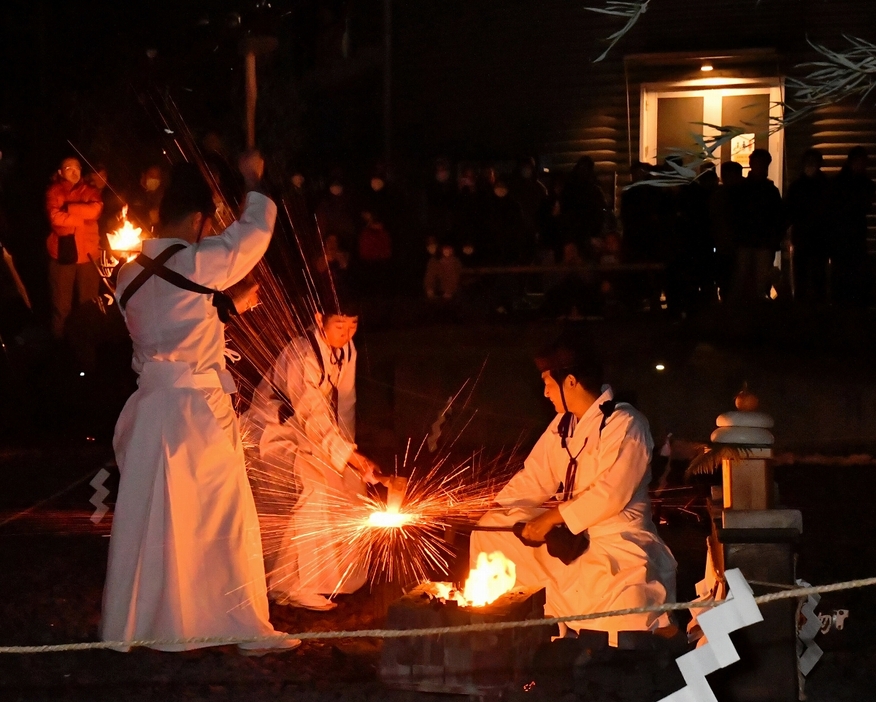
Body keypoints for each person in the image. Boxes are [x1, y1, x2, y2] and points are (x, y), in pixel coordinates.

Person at [101, 153, 299, 654]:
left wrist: (226, 308)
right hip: (195, 412)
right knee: (219, 516)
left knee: (154, 520)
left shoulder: (127, 274)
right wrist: (255, 182)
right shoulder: (194, 260)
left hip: (151, 413)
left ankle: (148, 621)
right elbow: (251, 236)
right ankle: (228, 620)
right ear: (197, 221)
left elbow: (174, 322)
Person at [471, 334, 677, 646]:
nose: (544, 393)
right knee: (489, 530)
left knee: (624, 624)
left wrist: (550, 519)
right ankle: (491, 632)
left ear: (570, 382)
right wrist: (499, 509)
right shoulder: (562, 425)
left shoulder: (626, 423)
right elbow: (535, 477)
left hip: (618, 541)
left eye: (548, 384)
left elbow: (610, 494)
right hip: (569, 537)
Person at [242, 294, 384, 610]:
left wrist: (350, 458)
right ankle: (288, 585)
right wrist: (347, 454)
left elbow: (345, 405)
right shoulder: (301, 354)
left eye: (353, 325)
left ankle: (335, 579)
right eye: (339, 325)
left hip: (311, 436)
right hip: (272, 434)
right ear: (320, 319)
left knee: (349, 485)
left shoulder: (347, 350)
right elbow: (311, 413)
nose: (346, 333)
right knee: (315, 487)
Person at [45, 157, 103, 339]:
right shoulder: (54, 191)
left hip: (88, 254)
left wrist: (69, 209)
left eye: (77, 167)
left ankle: (88, 343)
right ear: (60, 172)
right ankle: (60, 344)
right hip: (63, 255)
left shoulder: (90, 190)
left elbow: (96, 209)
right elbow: (55, 218)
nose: (74, 171)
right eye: (68, 168)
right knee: (62, 307)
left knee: (89, 303)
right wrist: (81, 218)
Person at [731, 148, 783, 302]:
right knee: (752, 280)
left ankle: (746, 311)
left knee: (747, 279)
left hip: (753, 241)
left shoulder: (742, 189)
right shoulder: (768, 190)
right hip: (756, 241)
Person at [829, 146, 875, 306]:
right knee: (845, 271)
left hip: (854, 234)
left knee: (853, 271)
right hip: (843, 234)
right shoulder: (843, 182)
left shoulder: (861, 182)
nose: (862, 165)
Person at [785, 149, 830, 303]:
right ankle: (801, 304)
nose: (810, 165)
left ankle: (817, 304)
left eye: (813, 162)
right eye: (808, 162)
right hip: (803, 237)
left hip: (819, 237)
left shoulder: (825, 186)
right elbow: (789, 211)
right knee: (801, 275)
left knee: (819, 275)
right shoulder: (797, 186)